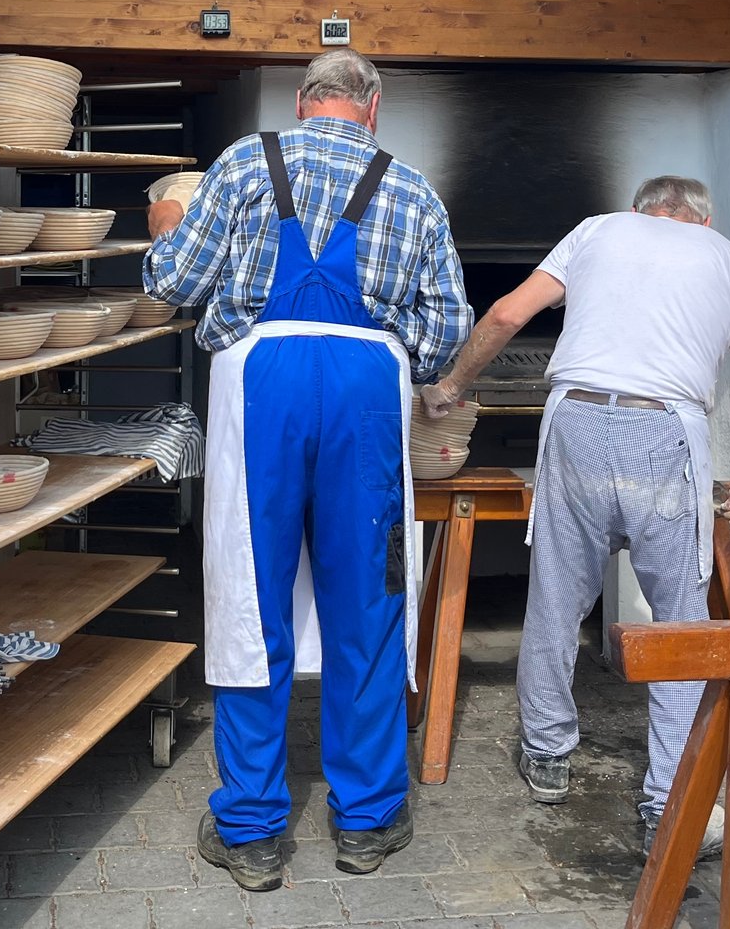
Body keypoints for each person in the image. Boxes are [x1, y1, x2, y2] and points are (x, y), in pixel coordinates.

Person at [144, 49, 471, 891]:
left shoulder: (246, 161)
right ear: (374, 108)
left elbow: (172, 280)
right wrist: (405, 362)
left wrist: (163, 232)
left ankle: (252, 829)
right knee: (370, 593)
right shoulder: (413, 188)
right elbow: (444, 330)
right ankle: (364, 820)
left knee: (250, 593)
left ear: (301, 103)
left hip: (262, 387)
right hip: (366, 392)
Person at [422, 175, 730, 859]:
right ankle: (669, 801)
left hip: (574, 421)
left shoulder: (599, 228)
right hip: (665, 433)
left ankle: (545, 752)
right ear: (703, 217)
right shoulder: (725, 256)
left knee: (556, 597)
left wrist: (451, 388)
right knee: (680, 621)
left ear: (640, 209)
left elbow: (508, 315)